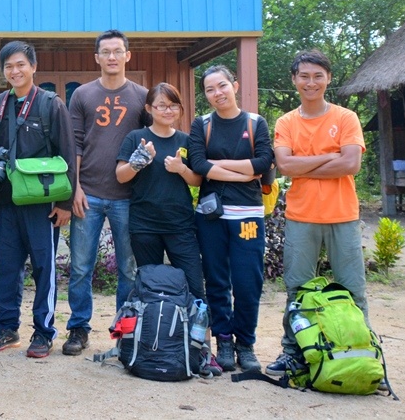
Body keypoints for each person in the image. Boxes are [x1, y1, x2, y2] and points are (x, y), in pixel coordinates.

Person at [266, 50, 367, 376]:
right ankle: (293, 353)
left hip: (343, 215)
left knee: (352, 290)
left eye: (317, 76)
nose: (311, 82)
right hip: (301, 216)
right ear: (294, 80)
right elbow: (284, 165)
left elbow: (351, 163)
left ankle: (362, 356)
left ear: (328, 79)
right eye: (304, 76)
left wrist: (303, 164)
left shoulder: (345, 118)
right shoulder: (286, 122)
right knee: (296, 290)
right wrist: (329, 158)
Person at [0, 40, 77, 359]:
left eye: (20, 64)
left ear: (33, 67)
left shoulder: (52, 105)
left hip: (43, 203)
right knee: (4, 266)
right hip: (8, 201)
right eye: (8, 66)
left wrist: (65, 203)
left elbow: (67, 154)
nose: (15, 71)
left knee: (44, 267)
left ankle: (43, 331)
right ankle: (7, 327)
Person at [64, 30, 148, 356]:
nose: (111, 57)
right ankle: (78, 329)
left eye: (117, 51)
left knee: (129, 268)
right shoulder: (83, 95)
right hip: (90, 193)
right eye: (105, 52)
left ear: (128, 55)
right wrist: (76, 188)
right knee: (81, 266)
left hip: (128, 196)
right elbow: (76, 143)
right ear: (96, 57)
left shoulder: (142, 96)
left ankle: (124, 331)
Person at [187, 65, 273, 373]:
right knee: (217, 279)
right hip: (211, 215)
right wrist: (243, 171)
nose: (217, 93)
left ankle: (245, 343)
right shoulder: (202, 124)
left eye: (222, 86)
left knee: (248, 281)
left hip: (248, 214)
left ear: (234, 86)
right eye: (210, 89)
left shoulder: (255, 122)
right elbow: (196, 163)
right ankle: (224, 339)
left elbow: (264, 162)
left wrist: (217, 165)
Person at [116, 83, 205, 300]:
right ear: (149, 108)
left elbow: (197, 180)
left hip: (180, 224)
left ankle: (200, 332)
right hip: (145, 226)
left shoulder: (186, 140)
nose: (168, 111)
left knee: (194, 285)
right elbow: (120, 175)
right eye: (162, 105)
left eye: (174, 105)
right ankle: (152, 332)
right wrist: (138, 162)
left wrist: (181, 168)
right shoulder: (136, 138)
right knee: (149, 285)